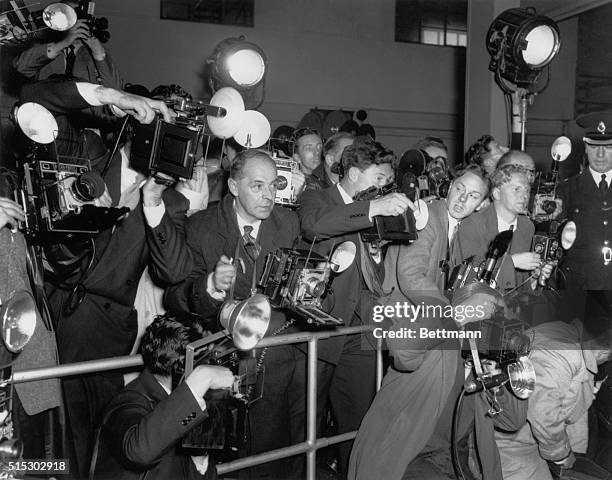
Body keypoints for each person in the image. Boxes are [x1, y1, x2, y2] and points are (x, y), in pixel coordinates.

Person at [348, 164, 524, 480]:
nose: (462, 200)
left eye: (472, 196)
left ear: (481, 204)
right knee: (401, 426)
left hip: (438, 338)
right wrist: (453, 316)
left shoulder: (464, 229)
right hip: (413, 330)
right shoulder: (428, 216)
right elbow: (410, 275)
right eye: (459, 189)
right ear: (449, 186)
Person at [156, 149, 305, 479]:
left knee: (270, 454)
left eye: (274, 185)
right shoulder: (201, 227)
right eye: (258, 186)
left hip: (274, 360)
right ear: (234, 186)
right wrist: (209, 286)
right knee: (219, 457)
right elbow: (174, 295)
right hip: (217, 359)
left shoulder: (288, 223)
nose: (269, 196)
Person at [298, 138, 412, 474]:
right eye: (378, 179)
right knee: (308, 425)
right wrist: (374, 209)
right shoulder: (317, 195)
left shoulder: (372, 206)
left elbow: (380, 270)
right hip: (320, 328)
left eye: (386, 183)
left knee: (359, 423)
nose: (382, 188)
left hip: (361, 331)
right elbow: (315, 226)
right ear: (351, 172)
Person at [95, 313, 234, 480]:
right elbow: (138, 451)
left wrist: (200, 457)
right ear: (181, 367)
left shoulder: (197, 401)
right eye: (206, 359)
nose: (213, 364)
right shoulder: (125, 402)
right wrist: (203, 377)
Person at [495, 313, 612, 480]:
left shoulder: (563, 332)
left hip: (526, 436)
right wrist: (561, 455)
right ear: (604, 352)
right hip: (512, 444)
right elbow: (542, 412)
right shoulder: (563, 355)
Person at [456, 164, 551, 293]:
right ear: (497, 193)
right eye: (517, 189)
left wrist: (536, 278)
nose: (524, 196)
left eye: (527, 190)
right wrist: (512, 262)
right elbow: (472, 277)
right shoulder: (472, 224)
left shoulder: (527, 227)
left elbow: (523, 283)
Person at [558, 113, 612, 290]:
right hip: (581, 286)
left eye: (608, 146)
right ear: (585, 146)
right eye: (595, 146)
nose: (601, 154)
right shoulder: (566, 190)